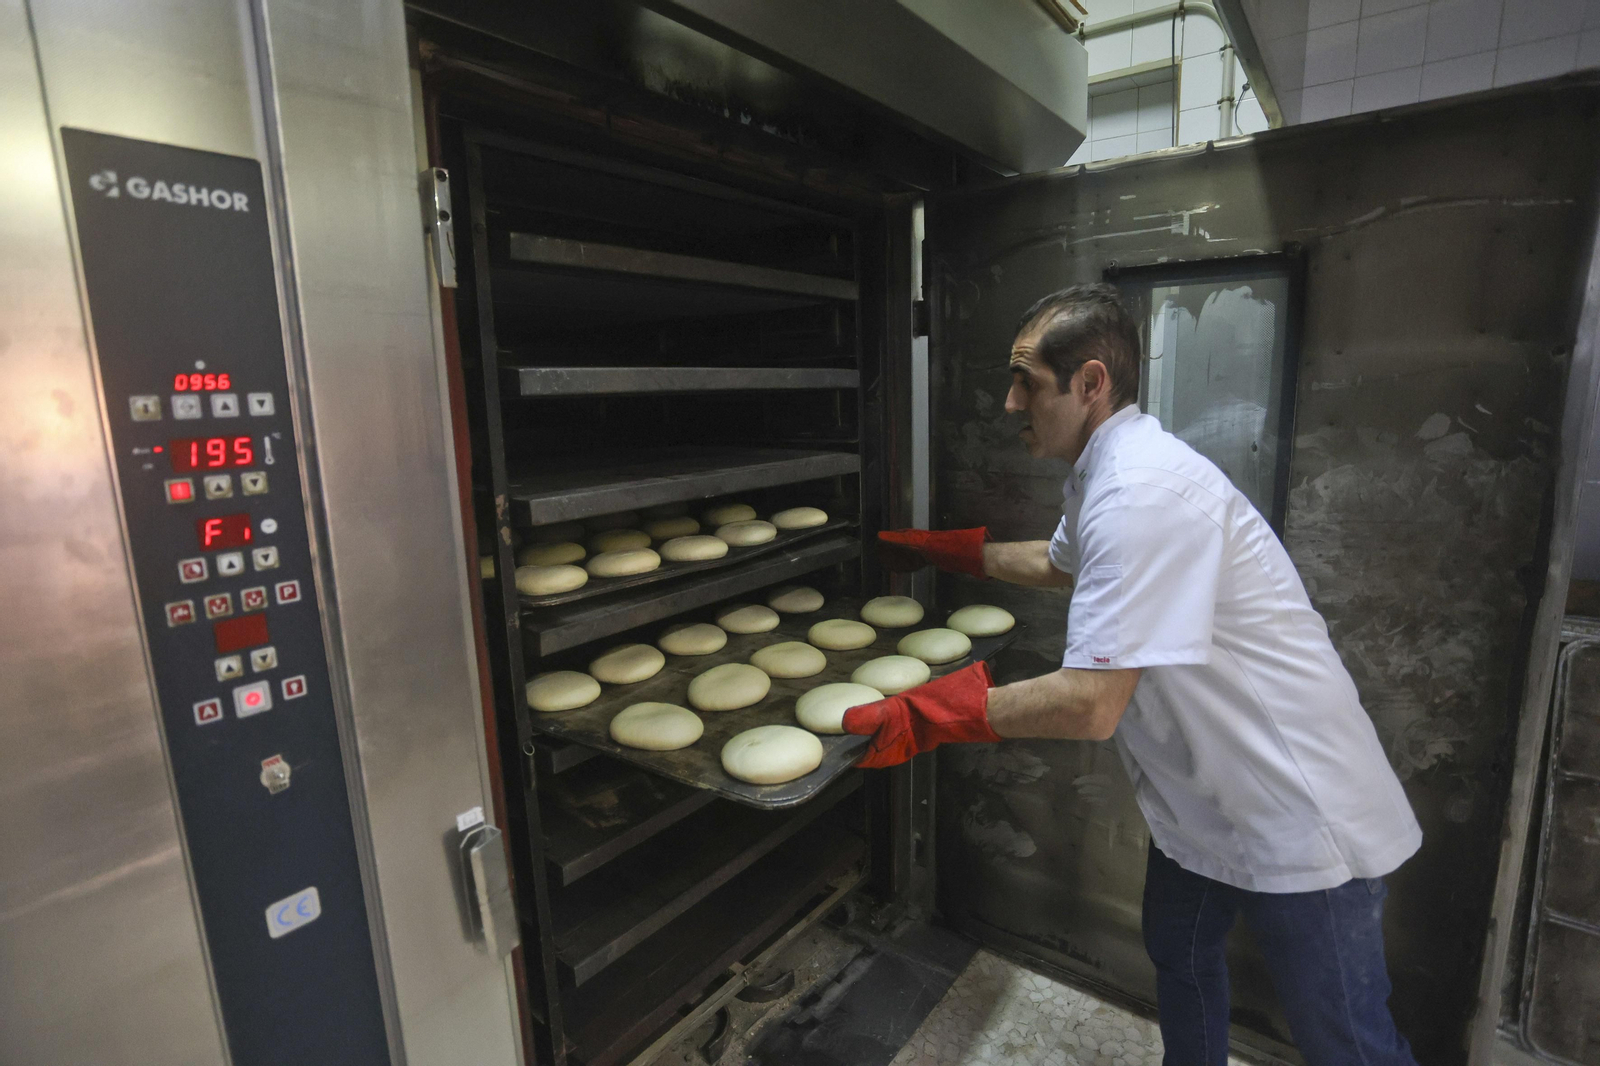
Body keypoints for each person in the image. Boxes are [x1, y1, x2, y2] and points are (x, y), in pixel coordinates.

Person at [845, 283, 1423, 1066]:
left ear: (1091, 383)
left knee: (1344, 1039)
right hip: (1202, 802)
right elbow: (1060, 563)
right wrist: (940, 551)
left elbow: (1090, 705)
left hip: (1292, 808)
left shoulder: (1142, 491)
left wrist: (927, 715)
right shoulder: (1102, 471)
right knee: (1180, 960)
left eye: (1028, 382)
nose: (1010, 402)